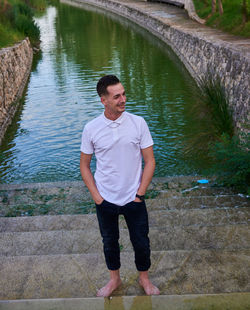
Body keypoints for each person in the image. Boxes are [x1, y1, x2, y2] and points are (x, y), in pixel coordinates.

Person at [80, 75, 160, 297]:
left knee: (141, 242)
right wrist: (97, 197)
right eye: (117, 96)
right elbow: (84, 166)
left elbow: (150, 161)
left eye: (124, 94)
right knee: (110, 242)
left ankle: (144, 279)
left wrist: (140, 193)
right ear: (103, 100)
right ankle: (114, 280)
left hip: (134, 198)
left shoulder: (138, 123)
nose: (123, 99)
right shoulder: (91, 128)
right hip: (105, 198)